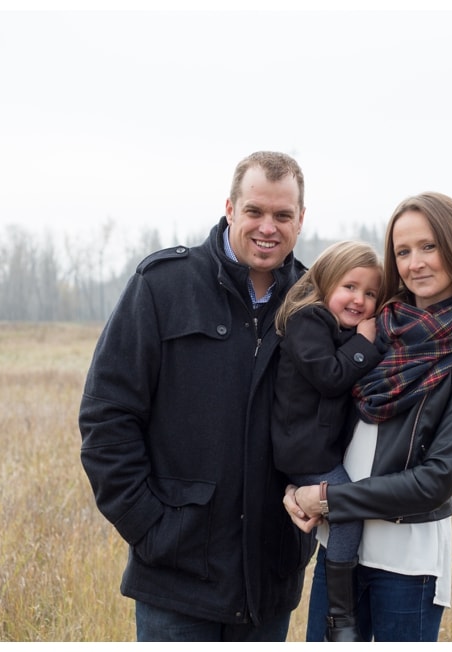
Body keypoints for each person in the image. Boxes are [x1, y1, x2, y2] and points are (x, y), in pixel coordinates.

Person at [79, 151, 314, 642]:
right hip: (176, 581)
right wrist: (151, 530)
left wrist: (298, 541)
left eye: (282, 215)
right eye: (254, 211)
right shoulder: (163, 286)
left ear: (301, 219)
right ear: (230, 208)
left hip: (268, 580)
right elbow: (107, 418)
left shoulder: (313, 301)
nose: (267, 227)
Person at [283, 192, 452, 642]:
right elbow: (313, 420)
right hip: (339, 548)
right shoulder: (376, 325)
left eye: (429, 246)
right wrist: (295, 486)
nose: (415, 263)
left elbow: (436, 479)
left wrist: (326, 499)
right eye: (402, 252)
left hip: (407, 563)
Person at [270, 240, 384, 642]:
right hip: (304, 450)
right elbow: (330, 376)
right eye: (350, 287)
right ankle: (340, 616)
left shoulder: (333, 327)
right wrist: (365, 344)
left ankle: (339, 609)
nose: (360, 300)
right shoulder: (308, 321)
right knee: (348, 510)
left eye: (371, 294)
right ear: (326, 283)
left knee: (344, 510)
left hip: (315, 448)